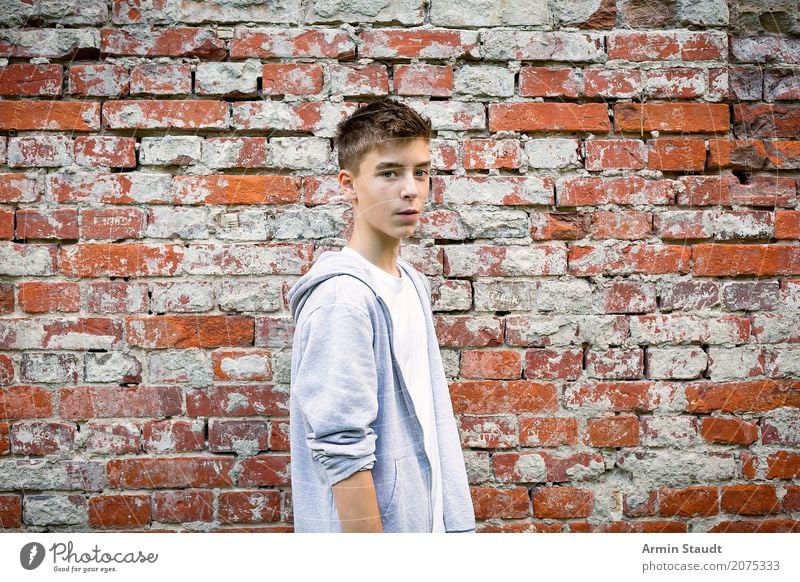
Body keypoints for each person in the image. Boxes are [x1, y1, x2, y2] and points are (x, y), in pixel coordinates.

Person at [287, 98, 476, 533]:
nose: (411, 189)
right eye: (389, 172)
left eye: (421, 172)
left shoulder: (410, 282)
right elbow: (341, 448)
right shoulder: (344, 300)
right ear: (348, 184)